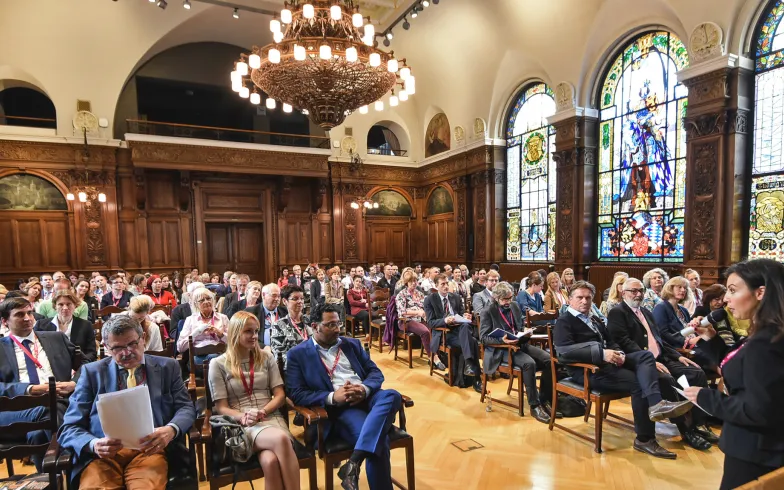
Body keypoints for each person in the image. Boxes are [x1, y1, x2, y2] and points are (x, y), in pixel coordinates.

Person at [553, 281, 694, 459]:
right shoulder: (565, 321)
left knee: (646, 356)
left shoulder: (594, 319)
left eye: (588, 297)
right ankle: (645, 439)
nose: (584, 301)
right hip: (587, 371)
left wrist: (618, 353)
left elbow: (611, 340)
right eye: (580, 297)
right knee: (639, 383)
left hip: (608, 363)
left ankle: (658, 405)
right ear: (570, 299)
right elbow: (564, 352)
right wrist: (602, 353)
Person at [58, 315, 196, 489]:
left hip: (150, 450)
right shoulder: (92, 373)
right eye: (117, 348)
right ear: (107, 348)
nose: (127, 352)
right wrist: (93, 445)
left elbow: (186, 407)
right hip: (103, 454)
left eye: (132, 344)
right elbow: (69, 427)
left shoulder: (167, 367)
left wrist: (170, 430)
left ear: (143, 339)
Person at [683, 259, 784, 489]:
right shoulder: (769, 333)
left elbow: (757, 411)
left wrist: (704, 397)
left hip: (756, 450)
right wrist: (711, 338)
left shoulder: (766, 343)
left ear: (761, 292)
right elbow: (741, 364)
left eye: (733, 290)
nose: (726, 299)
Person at [286, 303, 402, 490]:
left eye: (338, 323)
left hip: (367, 397)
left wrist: (363, 388)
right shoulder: (297, 354)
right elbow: (296, 394)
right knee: (379, 442)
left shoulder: (351, 344)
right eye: (330, 325)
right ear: (314, 326)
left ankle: (352, 463)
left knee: (392, 395)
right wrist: (332, 397)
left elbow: (375, 373)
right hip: (342, 408)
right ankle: (355, 466)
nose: (337, 329)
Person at [607, 278, 715, 450]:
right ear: (623, 292)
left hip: (661, 358)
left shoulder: (646, 312)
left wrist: (677, 356)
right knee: (667, 381)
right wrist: (649, 360)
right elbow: (622, 341)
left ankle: (700, 423)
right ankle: (687, 431)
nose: (638, 294)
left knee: (696, 373)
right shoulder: (618, 312)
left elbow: (659, 340)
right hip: (640, 361)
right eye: (633, 291)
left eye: (640, 290)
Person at [209, 311, 300, 489]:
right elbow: (221, 408)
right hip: (240, 424)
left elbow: (280, 395)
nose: (254, 336)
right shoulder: (218, 364)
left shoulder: (266, 357)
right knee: (281, 440)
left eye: (256, 331)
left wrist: (263, 411)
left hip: (270, 416)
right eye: (248, 331)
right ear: (235, 333)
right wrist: (243, 417)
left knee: (270, 461)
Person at [0, 296, 79, 470]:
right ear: (5, 321)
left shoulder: (56, 338)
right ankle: (70, 462)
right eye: (20, 314)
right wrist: (29, 389)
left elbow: (86, 366)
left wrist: (74, 383)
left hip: (59, 401)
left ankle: (48, 478)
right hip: (15, 409)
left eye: (29, 313)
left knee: (37, 433)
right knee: (47, 411)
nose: (27, 318)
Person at [479, 282, 554, 423]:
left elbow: (519, 324)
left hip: (519, 343)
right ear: (496, 298)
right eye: (505, 299)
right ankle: (534, 405)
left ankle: (544, 399)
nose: (509, 302)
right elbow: (483, 338)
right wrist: (502, 340)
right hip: (501, 349)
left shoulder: (514, 305)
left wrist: (525, 331)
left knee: (549, 359)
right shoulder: (488, 311)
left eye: (510, 298)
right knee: (529, 364)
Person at [425, 274, 480, 392]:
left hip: (459, 330)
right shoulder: (430, 299)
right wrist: (445, 320)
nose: (445, 287)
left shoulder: (455, 297)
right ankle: (476, 377)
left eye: (447, 284)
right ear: (436, 285)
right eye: (442, 284)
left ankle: (470, 370)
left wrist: (465, 315)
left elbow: (461, 315)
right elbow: (430, 323)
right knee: (473, 341)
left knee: (465, 325)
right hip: (444, 334)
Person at [35, 289, 97, 363]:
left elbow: (91, 353)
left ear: (75, 305)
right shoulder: (41, 325)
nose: (65, 308)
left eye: (69, 304)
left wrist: (80, 366)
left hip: (77, 366)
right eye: (60, 304)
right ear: (55, 306)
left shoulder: (86, 325)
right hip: (49, 366)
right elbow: (36, 350)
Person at [394, 270, 438, 368]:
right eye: (411, 281)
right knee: (425, 332)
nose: (414, 283)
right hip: (406, 321)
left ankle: (438, 355)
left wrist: (426, 313)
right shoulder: (401, 294)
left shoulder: (419, 293)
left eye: (415, 281)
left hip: (421, 319)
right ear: (406, 283)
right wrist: (417, 312)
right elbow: (402, 312)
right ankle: (433, 358)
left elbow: (426, 307)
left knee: (435, 329)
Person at [176, 287, 228, 365]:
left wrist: (219, 333)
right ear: (196, 304)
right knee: (212, 360)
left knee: (215, 358)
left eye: (208, 298)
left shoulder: (223, 318)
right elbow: (180, 347)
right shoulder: (190, 320)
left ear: (213, 300)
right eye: (202, 300)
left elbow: (233, 342)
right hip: (198, 358)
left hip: (219, 355)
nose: (206, 302)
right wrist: (197, 332)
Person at [270, 285, 312, 367]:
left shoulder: (310, 321)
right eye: (295, 299)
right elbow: (280, 357)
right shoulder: (279, 325)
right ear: (285, 301)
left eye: (302, 298)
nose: (300, 301)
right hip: (294, 369)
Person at [652, 276, 697, 351]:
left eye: (685, 288)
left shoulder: (684, 310)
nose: (683, 290)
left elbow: (690, 330)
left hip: (689, 346)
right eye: (679, 287)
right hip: (672, 349)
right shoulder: (661, 308)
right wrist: (688, 341)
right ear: (670, 288)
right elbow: (662, 334)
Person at [246, 283, 288, 350]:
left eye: (279, 296)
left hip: (283, 351)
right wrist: (264, 347)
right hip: (260, 351)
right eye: (274, 295)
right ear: (263, 295)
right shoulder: (251, 312)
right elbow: (247, 336)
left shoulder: (286, 311)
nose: (277, 299)